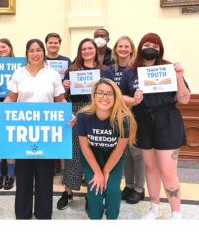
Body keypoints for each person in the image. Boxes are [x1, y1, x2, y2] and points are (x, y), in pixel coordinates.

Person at [0, 39, 76, 221]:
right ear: (27, 53)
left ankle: (43, 214)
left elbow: (60, 100)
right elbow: (11, 97)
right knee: (23, 176)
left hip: (47, 133)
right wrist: (0, 109)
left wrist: (69, 113)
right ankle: (22, 215)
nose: (35, 53)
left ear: (43, 53)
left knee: (45, 176)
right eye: (31, 50)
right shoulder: (19, 73)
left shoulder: (53, 74)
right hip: (22, 133)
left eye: (39, 50)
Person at [119, 33, 190, 221]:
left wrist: (180, 77)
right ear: (141, 46)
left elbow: (184, 99)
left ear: (160, 50)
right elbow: (121, 99)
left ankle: (176, 214)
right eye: (148, 44)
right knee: (150, 168)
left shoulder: (168, 68)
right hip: (142, 120)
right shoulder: (130, 72)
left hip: (168, 120)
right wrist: (133, 100)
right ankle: (155, 209)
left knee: (167, 170)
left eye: (156, 46)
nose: (151, 48)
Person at [58, 38, 113, 212]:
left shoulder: (105, 71)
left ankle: (92, 195)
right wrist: (64, 87)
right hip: (75, 113)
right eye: (84, 49)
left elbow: (113, 95)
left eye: (90, 48)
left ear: (96, 51)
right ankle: (68, 192)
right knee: (73, 152)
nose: (87, 51)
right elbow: (63, 97)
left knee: (95, 153)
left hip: (98, 113)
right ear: (80, 52)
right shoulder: (72, 69)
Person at [78, 78, 137, 221]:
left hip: (113, 158)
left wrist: (105, 172)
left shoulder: (124, 119)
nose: (105, 98)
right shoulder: (83, 116)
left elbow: (119, 149)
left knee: (113, 191)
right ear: (94, 95)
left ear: (116, 97)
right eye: (100, 93)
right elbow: (85, 147)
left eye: (110, 94)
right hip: (91, 157)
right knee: (95, 190)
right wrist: (97, 173)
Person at [110, 36, 146, 205]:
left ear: (132, 49)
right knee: (125, 154)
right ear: (115, 49)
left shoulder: (137, 69)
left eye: (126, 46)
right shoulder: (111, 69)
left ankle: (139, 188)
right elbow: (117, 94)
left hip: (138, 116)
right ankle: (129, 185)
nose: (123, 49)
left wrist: (131, 104)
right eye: (120, 46)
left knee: (137, 153)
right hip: (119, 117)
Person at [44, 32, 72, 184]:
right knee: (47, 138)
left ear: (59, 44)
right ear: (46, 44)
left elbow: (70, 86)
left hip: (62, 102)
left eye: (56, 43)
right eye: (50, 43)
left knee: (62, 139)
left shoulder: (67, 61)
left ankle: (64, 171)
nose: (53, 45)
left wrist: (67, 87)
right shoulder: (41, 60)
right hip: (46, 105)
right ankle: (49, 169)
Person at [0, 38, 16, 191]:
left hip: (13, 106)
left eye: (4, 46)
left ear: (10, 47)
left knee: (10, 141)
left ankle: (10, 174)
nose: (1, 50)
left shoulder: (19, 65)